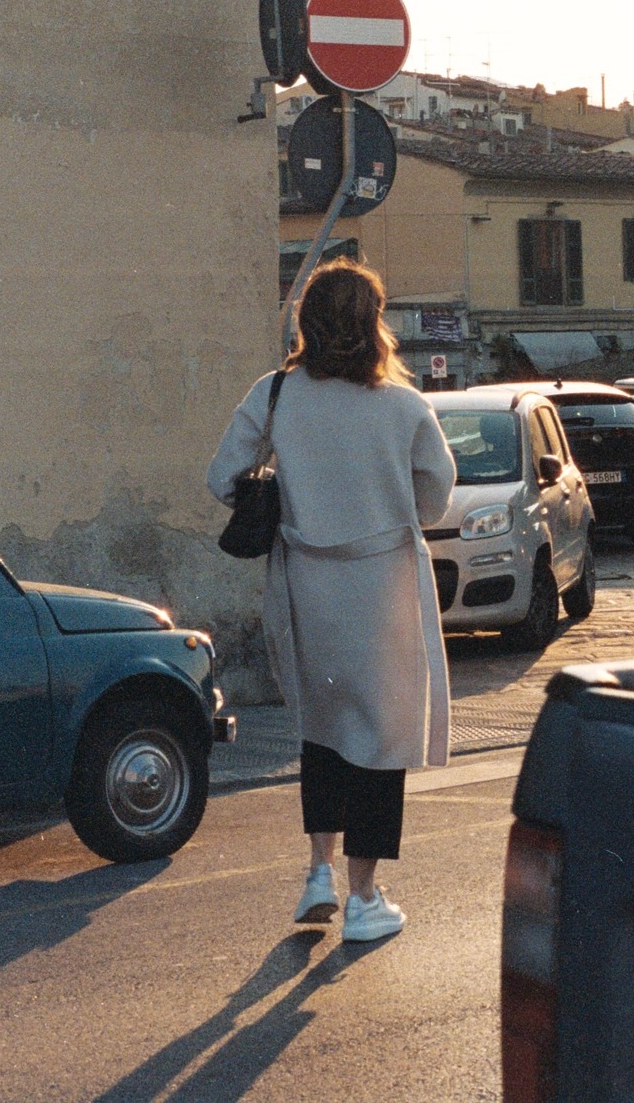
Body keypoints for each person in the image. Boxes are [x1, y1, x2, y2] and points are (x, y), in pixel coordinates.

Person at [208, 261, 456, 943]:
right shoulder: (405, 407)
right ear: (373, 324)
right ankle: (365, 896)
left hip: (307, 584)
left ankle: (317, 871)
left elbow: (220, 476)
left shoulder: (278, 392)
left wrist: (289, 499)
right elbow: (435, 497)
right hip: (380, 587)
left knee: (322, 729)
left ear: (306, 321)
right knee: (380, 737)